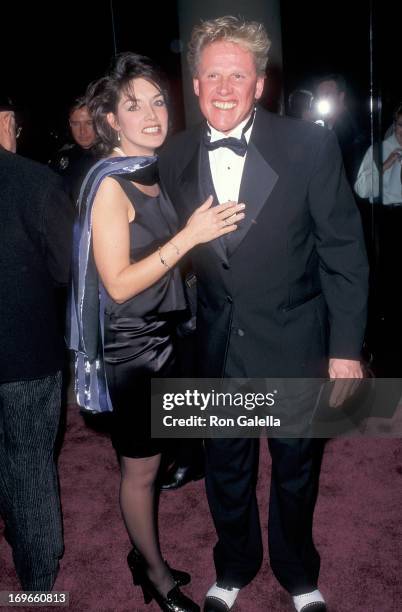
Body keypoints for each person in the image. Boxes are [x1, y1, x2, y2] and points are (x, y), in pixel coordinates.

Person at [158, 16, 368, 612]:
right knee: (226, 468)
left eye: (238, 76)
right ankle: (234, 564)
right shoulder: (173, 158)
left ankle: (299, 571)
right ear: (194, 86)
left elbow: (345, 254)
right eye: (213, 76)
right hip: (219, 347)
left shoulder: (308, 145)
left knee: (296, 469)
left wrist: (346, 349)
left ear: (259, 85)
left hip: (296, 341)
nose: (225, 87)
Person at [68, 52, 244, 612]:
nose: (151, 113)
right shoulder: (109, 187)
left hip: (170, 336)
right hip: (134, 349)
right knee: (139, 472)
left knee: (161, 458)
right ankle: (155, 575)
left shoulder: (151, 172)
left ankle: (143, 553)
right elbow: (117, 285)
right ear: (111, 121)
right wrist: (189, 237)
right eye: (133, 105)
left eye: (158, 101)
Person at [0, 94, 73, 590]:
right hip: (25, 348)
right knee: (29, 459)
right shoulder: (36, 181)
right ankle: (39, 581)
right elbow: (66, 269)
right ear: (7, 122)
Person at [314, 74, 364, 184]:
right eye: (319, 96)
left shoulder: (351, 129)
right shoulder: (323, 124)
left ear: (341, 97)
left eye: (327, 94)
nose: (322, 100)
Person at [49, 98, 98, 203]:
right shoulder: (63, 156)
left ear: (98, 123)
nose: (82, 131)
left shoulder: (110, 157)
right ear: (70, 124)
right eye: (76, 124)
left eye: (88, 123)